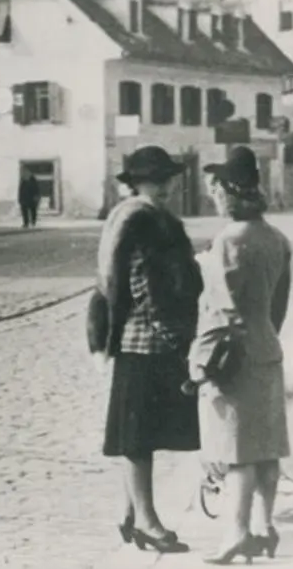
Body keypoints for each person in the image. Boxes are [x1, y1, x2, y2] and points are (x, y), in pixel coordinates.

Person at [90, 145, 202, 554]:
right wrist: (173, 335)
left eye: (168, 178)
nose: (168, 186)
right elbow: (142, 282)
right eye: (160, 179)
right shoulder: (143, 219)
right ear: (140, 182)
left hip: (134, 339)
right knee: (139, 435)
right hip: (147, 340)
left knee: (137, 429)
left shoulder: (132, 215)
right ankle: (148, 523)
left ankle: (131, 513)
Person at [190, 146, 291, 564]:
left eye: (217, 189)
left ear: (230, 193)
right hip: (266, 346)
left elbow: (219, 309)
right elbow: (279, 304)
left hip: (233, 354)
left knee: (236, 451)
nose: (214, 196)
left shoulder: (228, 241)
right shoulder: (277, 239)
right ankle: (266, 528)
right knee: (266, 446)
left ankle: (235, 533)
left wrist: (201, 362)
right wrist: (263, 334)